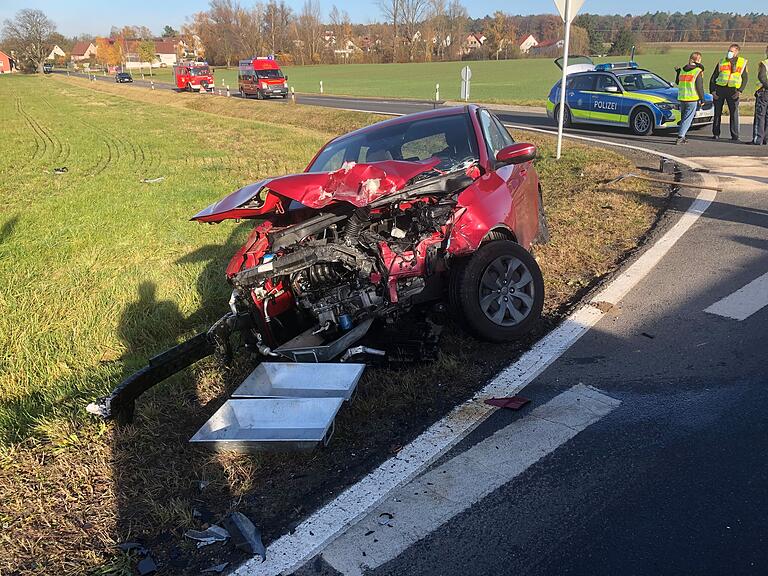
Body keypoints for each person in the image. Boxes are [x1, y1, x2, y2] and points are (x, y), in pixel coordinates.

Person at [710, 43, 749, 141]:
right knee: (717, 112)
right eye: (728, 51)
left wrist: (740, 91)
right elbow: (713, 77)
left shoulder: (742, 62)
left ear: (737, 52)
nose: (729, 53)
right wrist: (713, 91)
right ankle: (716, 133)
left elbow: (745, 78)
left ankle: (735, 136)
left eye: (731, 51)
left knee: (734, 113)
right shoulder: (722, 61)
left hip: (733, 91)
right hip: (720, 89)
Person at [674, 52, 705, 144]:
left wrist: (678, 72)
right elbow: (699, 86)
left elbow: (677, 82)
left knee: (684, 118)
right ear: (698, 60)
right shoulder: (697, 71)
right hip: (692, 98)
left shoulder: (683, 70)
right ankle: (680, 136)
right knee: (687, 119)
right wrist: (702, 98)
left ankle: (682, 136)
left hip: (682, 97)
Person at [752, 45, 768, 145]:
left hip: (764, 92)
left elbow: (761, 77)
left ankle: (758, 139)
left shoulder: (764, 63)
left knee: (760, 115)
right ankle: (765, 138)